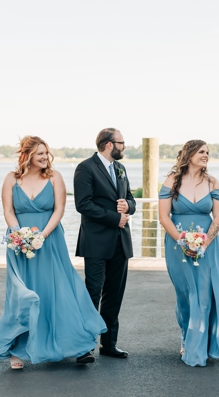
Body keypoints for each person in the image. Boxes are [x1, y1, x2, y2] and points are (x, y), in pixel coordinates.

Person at [0, 136, 106, 369]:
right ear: (28, 156)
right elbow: (8, 210)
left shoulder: (54, 177)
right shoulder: (11, 179)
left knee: (59, 290)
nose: (45, 157)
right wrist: (20, 237)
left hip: (50, 240)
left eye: (46, 153)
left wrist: (41, 236)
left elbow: (59, 209)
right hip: (20, 245)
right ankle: (15, 348)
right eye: (39, 154)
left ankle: (78, 345)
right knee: (21, 294)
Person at [159, 140, 219, 366]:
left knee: (203, 296)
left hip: (208, 248)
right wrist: (183, 241)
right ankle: (186, 335)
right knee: (184, 295)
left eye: (207, 152)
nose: (205, 155)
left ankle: (196, 348)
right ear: (189, 154)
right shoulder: (172, 181)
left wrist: (204, 243)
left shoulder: (213, 182)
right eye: (201, 152)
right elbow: (164, 217)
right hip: (177, 246)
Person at [73, 128, 135, 359]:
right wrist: (114, 217)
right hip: (97, 242)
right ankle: (83, 347)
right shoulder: (86, 168)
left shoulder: (120, 169)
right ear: (109, 144)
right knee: (93, 294)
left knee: (114, 294)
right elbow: (83, 204)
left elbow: (130, 198)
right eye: (121, 142)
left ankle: (108, 344)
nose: (124, 146)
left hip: (121, 241)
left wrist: (128, 207)